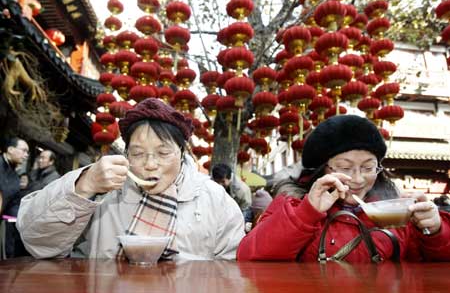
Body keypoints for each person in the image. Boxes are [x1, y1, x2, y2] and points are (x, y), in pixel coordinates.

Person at [17, 98, 245, 260]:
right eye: (137, 153)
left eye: (163, 153)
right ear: (126, 155)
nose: (150, 164)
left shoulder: (215, 199)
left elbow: (231, 270)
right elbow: (36, 242)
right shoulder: (103, 187)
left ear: (182, 153)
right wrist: (83, 186)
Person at [237, 115, 450, 262]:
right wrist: (307, 212)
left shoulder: (393, 211)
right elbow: (249, 255)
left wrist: (435, 231)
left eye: (368, 167)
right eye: (345, 167)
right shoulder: (293, 204)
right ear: (322, 170)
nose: (357, 179)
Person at [0, 137, 29, 258]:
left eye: (27, 152)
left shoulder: (16, 177)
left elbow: (12, 207)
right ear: (11, 149)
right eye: (24, 150)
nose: (26, 155)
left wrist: (21, 220)